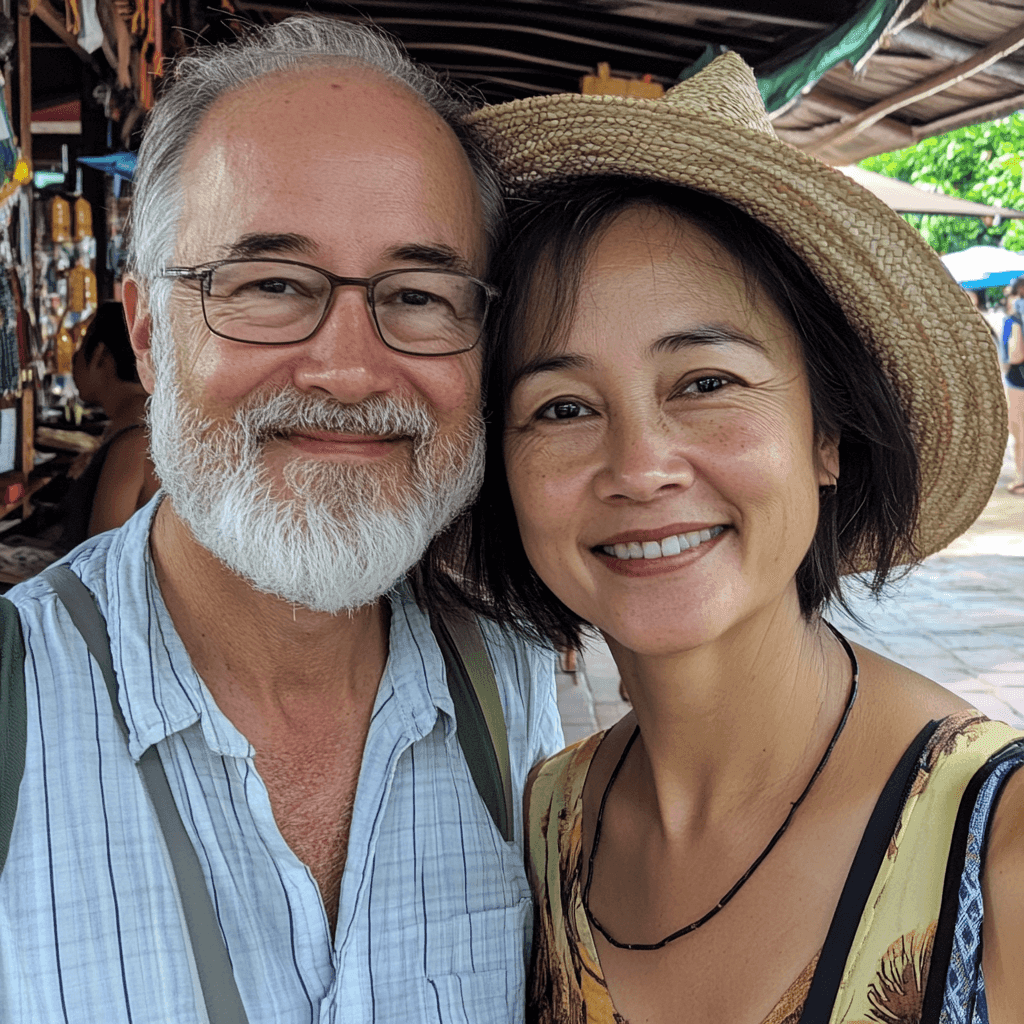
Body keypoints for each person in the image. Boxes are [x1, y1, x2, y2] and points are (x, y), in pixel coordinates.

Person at [434, 53, 1022, 1022]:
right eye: (562, 405)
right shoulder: (549, 821)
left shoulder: (994, 840)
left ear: (824, 434)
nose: (639, 464)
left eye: (705, 382)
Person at [0, 17, 561, 1023]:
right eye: (267, 284)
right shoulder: (14, 713)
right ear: (147, 331)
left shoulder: (512, 696)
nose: (347, 371)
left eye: (420, 294)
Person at [59, 300, 159, 547]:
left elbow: (100, 563)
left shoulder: (133, 445)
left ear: (100, 355)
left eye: (81, 349)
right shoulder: (137, 429)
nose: (74, 360)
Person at [1003, 284, 1024, 494]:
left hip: (1019, 382)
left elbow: (1016, 355)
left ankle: (1022, 479)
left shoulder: (1015, 321)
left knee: (1020, 433)